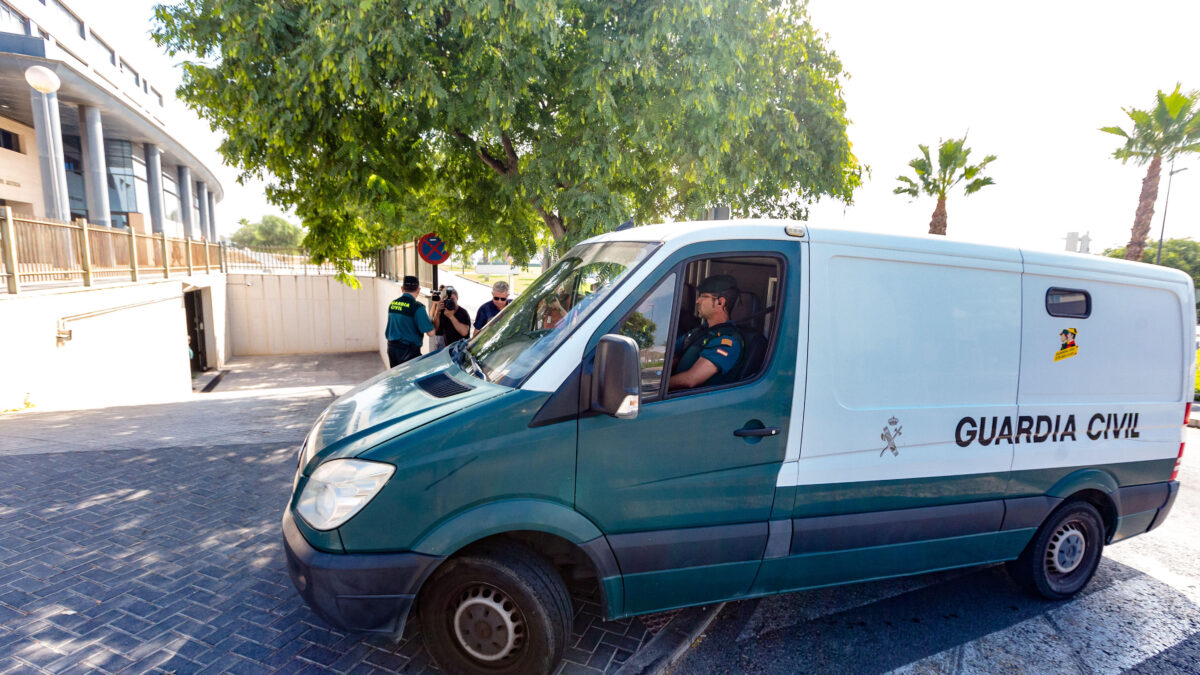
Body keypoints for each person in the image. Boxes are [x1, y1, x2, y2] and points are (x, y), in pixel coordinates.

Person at [668, 274, 745, 390]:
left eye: (704, 296)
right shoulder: (700, 331)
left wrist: (654, 386)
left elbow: (691, 379)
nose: (698, 301)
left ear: (720, 303)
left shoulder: (728, 341)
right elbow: (666, 353)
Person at [385, 276, 435, 367]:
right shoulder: (417, 307)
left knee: (396, 379)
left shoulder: (393, 304)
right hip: (408, 353)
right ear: (418, 290)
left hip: (392, 350)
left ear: (402, 288)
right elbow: (431, 333)